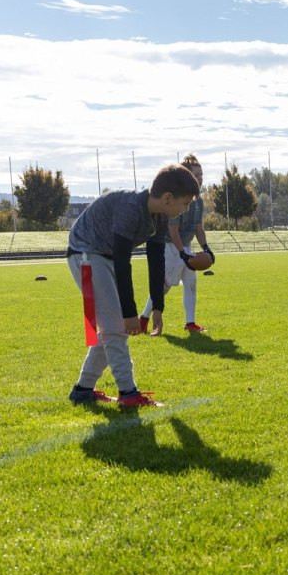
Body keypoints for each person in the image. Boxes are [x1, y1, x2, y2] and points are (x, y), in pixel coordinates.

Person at [65, 164, 201, 407]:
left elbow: (156, 259)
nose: (186, 209)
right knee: (116, 327)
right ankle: (129, 394)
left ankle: (83, 390)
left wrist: (158, 307)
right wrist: (130, 313)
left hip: (103, 256)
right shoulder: (131, 208)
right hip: (87, 254)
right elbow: (122, 260)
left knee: (110, 328)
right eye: (185, 203)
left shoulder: (160, 216)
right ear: (168, 198)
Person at [138, 153, 212, 335]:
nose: (200, 179)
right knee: (165, 286)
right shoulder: (176, 199)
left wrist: (206, 249)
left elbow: (197, 227)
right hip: (170, 246)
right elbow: (172, 230)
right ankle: (144, 318)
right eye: (196, 175)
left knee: (191, 282)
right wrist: (182, 254)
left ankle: (190, 323)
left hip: (185, 247)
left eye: (201, 175)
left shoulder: (198, 201)